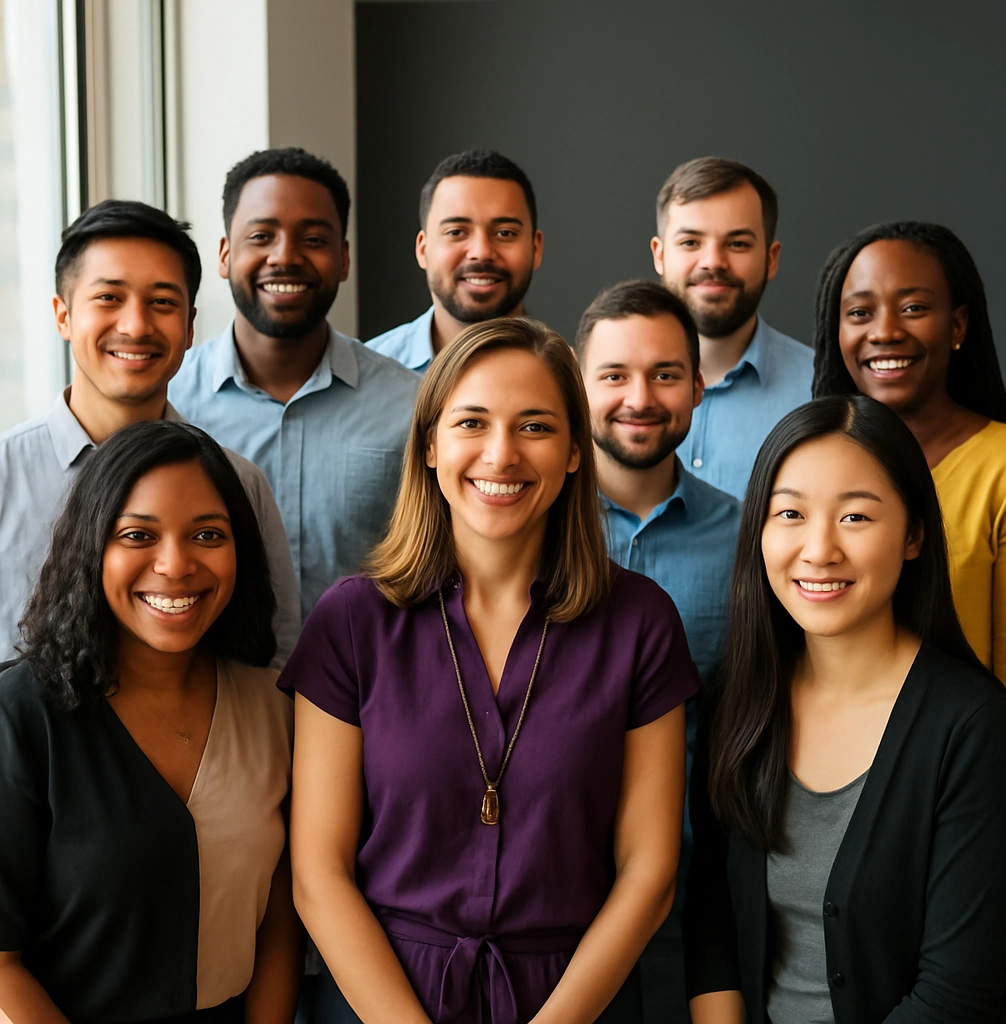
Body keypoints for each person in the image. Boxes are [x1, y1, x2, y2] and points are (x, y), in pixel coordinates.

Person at [283, 317, 697, 1024]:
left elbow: (649, 874)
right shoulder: (350, 622)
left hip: (577, 1000)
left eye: (534, 427)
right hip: (383, 997)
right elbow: (318, 876)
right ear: (431, 446)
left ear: (573, 451)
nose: (501, 455)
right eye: (472, 422)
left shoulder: (641, 623)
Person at [684, 395, 1006, 1024]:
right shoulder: (739, 694)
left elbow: (958, 995)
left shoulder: (974, 728)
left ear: (914, 534)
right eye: (790, 514)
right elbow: (713, 926)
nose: (819, 550)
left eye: (856, 518)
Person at [0, 420, 301, 1023]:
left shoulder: (276, 710)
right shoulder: (20, 713)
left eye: (207, 534)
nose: (175, 565)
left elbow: (278, 925)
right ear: (92, 548)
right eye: (139, 534)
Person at [0, 200, 300, 666]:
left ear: (189, 327)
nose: (136, 326)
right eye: (108, 298)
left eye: (162, 302)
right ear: (63, 316)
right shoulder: (5, 472)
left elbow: (276, 655)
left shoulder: (238, 484)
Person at [576, 280, 740, 1024]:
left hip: (695, 900)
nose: (638, 397)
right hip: (544, 894)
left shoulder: (752, 543)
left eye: (665, 374)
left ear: (699, 387)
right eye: (613, 375)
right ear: (578, 388)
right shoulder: (523, 534)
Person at [169, 148, 420, 620]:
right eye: (262, 236)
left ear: (343, 259)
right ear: (225, 255)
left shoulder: (409, 404)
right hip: (216, 686)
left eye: (313, 239)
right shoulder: (171, 402)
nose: (285, 257)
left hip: (366, 688)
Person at [812, 221, 1006, 716]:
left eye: (914, 308)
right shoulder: (811, 464)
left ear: (957, 326)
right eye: (860, 313)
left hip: (967, 768)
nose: (885, 331)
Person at [651, 156, 813, 499]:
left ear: (771, 259)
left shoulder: (821, 390)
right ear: (659, 255)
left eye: (737, 243)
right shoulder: (597, 390)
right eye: (691, 242)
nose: (713, 262)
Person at [365, 149, 543, 373]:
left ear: (536, 248)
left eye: (505, 233)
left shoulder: (573, 380)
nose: (481, 252)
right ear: (423, 249)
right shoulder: (366, 376)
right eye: (456, 232)